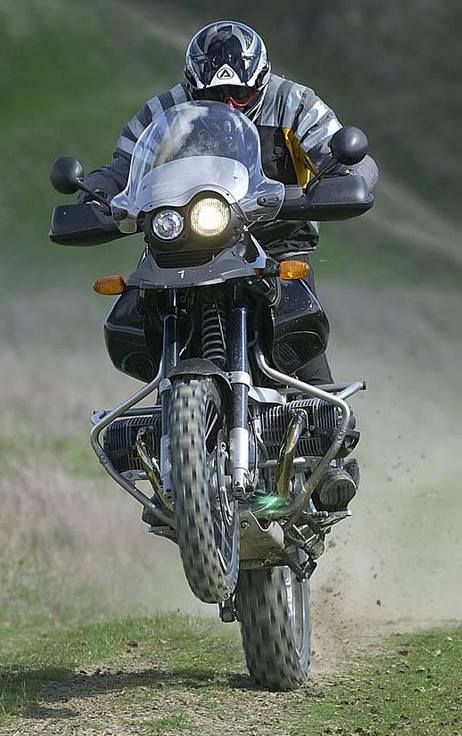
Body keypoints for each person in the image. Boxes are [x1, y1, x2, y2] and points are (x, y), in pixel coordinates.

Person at [81, 21, 379, 511]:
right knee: (136, 306)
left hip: (274, 235)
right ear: (194, 84)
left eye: (240, 95)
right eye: (216, 94)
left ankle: (330, 449)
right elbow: (123, 168)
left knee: (296, 314)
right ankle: (167, 443)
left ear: (259, 82)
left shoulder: (294, 102)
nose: (229, 103)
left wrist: (345, 176)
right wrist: (96, 190)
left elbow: (344, 157)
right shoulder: (163, 111)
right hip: (184, 243)